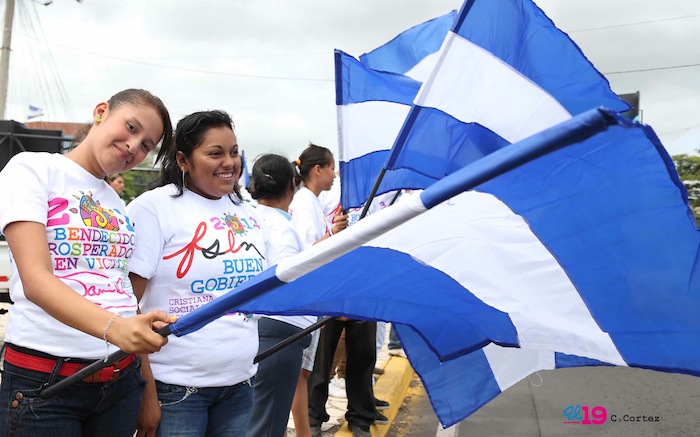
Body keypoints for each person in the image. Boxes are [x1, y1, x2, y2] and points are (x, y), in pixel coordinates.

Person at [0, 88, 174, 436]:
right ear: (101, 112)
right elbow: (35, 280)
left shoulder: (115, 202)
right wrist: (118, 329)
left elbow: (121, 294)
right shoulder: (33, 169)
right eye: (131, 127)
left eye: (146, 145)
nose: (133, 146)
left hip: (120, 380)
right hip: (46, 383)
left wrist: (147, 390)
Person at [127, 110, 274, 437]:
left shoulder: (248, 212)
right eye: (215, 153)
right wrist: (146, 393)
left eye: (234, 152)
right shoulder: (153, 208)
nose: (229, 163)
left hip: (240, 384)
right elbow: (125, 306)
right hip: (174, 390)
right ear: (183, 160)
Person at [245, 153, 314, 437]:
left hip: (248, 328)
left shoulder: (244, 219)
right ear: (293, 185)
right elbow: (284, 279)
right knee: (267, 425)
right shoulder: (283, 228)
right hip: (279, 332)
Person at [285, 144, 348, 437]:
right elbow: (304, 253)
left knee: (304, 371)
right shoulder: (304, 203)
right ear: (318, 169)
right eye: (332, 168)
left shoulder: (311, 201)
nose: (335, 175)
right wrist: (333, 233)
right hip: (304, 300)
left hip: (311, 299)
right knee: (300, 372)